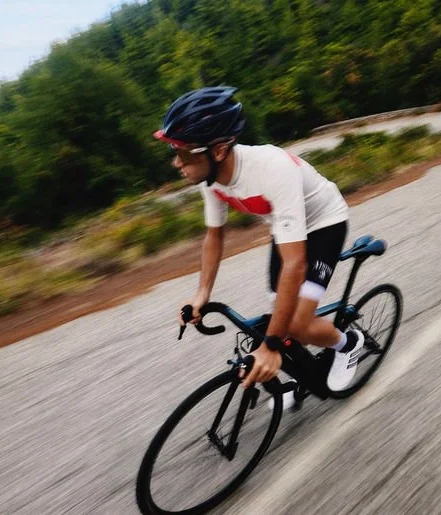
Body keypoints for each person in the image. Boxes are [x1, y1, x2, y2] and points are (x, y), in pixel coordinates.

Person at [154, 86, 364, 403]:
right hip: (287, 228)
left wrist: (270, 347)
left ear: (218, 151)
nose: (176, 163)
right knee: (279, 313)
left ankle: (348, 344)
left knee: (296, 323)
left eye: (183, 154)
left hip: (324, 224)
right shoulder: (211, 178)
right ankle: (306, 372)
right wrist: (202, 294)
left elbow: (294, 263)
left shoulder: (272, 169)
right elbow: (214, 236)